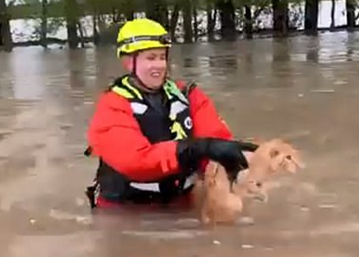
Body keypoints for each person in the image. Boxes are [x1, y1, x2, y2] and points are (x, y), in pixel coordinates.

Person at [84, 18, 257, 209]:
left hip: (181, 202)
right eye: (150, 58)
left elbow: (216, 140)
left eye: (162, 57)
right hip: (125, 210)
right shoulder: (112, 105)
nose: (159, 65)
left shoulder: (189, 95)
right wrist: (197, 148)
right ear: (128, 62)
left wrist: (241, 162)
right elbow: (136, 163)